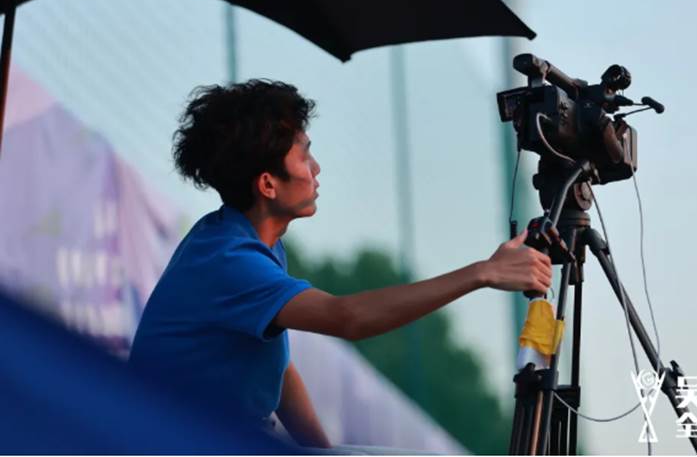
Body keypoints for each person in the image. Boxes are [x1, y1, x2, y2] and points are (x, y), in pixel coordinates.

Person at [129, 80, 552, 449]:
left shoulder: (245, 242)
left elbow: (277, 368)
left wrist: (324, 452)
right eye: (304, 156)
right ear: (268, 184)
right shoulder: (229, 259)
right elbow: (347, 318)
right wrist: (483, 272)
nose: (316, 169)